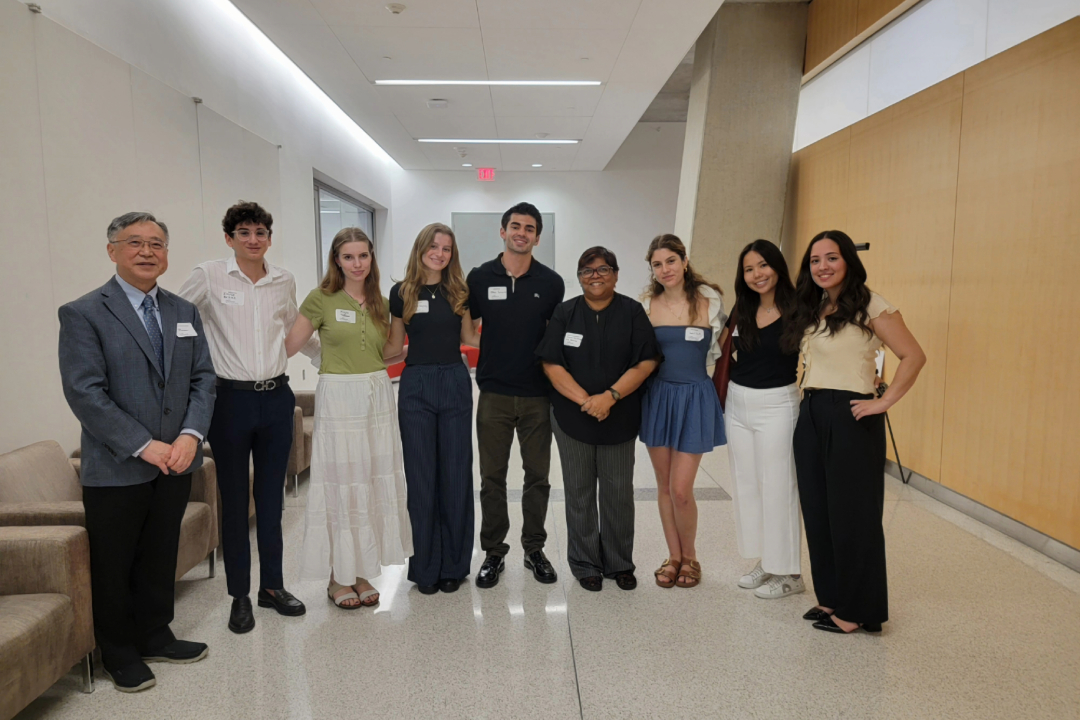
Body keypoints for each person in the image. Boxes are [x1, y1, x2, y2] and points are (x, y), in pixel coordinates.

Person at [58, 212, 216, 692]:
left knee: (158, 553)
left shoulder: (183, 311)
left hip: (177, 460)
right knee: (115, 561)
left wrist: (190, 436)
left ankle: (154, 634)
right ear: (112, 250)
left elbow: (203, 378)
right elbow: (85, 392)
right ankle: (118, 651)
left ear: (167, 254)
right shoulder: (84, 312)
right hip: (117, 464)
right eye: (135, 243)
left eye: (157, 244)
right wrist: (144, 446)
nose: (147, 252)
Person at [178, 201, 310, 634]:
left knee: (272, 501)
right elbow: (176, 317)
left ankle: (272, 587)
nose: (253, 240)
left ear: (269, 238)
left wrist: (342, 360)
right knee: (236, 502)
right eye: (245, 233)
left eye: (260, 232)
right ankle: (239, 596)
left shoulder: (282, 280)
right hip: (228, 401)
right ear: (229, 237)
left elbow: (294, 329)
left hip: (276, 399)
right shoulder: (209, 275)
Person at [786, 230, 925, 634]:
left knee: (853, 515)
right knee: (818, 510)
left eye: (831, 258)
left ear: (848, 261)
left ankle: (858, 610)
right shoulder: (816, 307)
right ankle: (832, 598)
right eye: (815, 260)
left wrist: (884, 401)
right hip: (811, 410)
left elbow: (913, 356)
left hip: (850, 414)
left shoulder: (871, 304)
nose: (822, 267)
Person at [285, 227, 412, 609]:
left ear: (372, 258)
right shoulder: (320, 298)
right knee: (342, 482)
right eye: (348, 257)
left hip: (376, 394)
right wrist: (322, 357)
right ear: (336, 261)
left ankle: (359, 573)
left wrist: (412, 330)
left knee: (370, 480)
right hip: (339, 397)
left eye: (363, 256)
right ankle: (336, 577)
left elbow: (389, 351)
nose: (357, 264)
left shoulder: (380, 300)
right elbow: (291, 344)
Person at [538, 247, 660, 591]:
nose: (595, 275)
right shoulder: (565, 313)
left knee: (618, 492)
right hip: (571, 418)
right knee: (578, 492)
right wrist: (587, 401)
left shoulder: (632, 312)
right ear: (579, 277)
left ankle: (620, 562)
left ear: (616, 274)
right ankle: (585, 562)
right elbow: (551, 364)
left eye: (603, 269)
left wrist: (610, 397)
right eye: (587, 271)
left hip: (619, 418)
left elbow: (646, 361)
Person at [466, 202, 565, 588]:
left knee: (537, 477)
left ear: (537, 237)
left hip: (538, 396)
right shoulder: (479, 277)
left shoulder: (550, 283)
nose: (521, 232)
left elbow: (556, 341)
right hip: (493, 395)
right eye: (515, 226)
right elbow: (467, 328)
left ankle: (534, 549)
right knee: (492, 477)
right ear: (502, 231)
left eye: (529, 228)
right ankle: (493, 551)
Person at [390, 223, 479, 595]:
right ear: (421, 248)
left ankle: (454, 567)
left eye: (446, 248)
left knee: (456, 476)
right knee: (422, 478)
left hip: (455, 382)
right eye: (434, 246)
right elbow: (394, 347)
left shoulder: (459, 291)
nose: (439, 253)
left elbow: (470, 339)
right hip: (416, 386)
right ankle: (425, 566)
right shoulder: (401, 292)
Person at [639, 234, 726, 589]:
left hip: (695, 397)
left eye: (670, 261)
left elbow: (720, 353)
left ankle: (690, 556)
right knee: (663, 486)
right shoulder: (646, 303)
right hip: (659, 397)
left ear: (684, 261)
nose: (665, 270)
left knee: (681, 490)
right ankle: (673, 557)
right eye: (657, 264)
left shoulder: (710, 300)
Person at [724, 240, 803, 599]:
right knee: (748, 486)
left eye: (763, 265)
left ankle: (790, 573)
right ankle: (767, 561)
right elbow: (724, 349)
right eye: (749, 269)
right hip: (738, 403)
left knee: (779, 487)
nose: (757, 274)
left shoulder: (801, 307)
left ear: (777, 266)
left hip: (777, 404)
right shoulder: (742, 307)